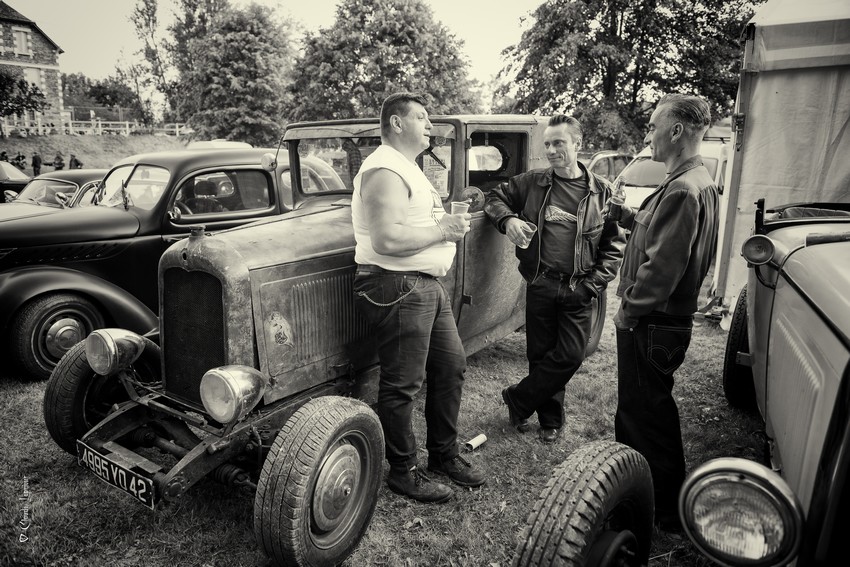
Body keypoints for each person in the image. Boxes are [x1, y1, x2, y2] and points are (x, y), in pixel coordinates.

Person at [351, 92, 484, 504]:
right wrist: (444, 231)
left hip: (422, 284)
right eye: (422, 117)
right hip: (397, 285)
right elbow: (387, 239)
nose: (430, 125)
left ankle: (443, 455)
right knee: (402, 384)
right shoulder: (384, 170)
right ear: (396, 123)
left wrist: (446, 222)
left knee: (451, 367)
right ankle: (403, 471)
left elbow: (416, 222)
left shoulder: (407, 167)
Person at [610, 94, 719, 532]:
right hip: (664, 323)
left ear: (676, 131)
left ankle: (659, 508)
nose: (648, 135)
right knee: (652, 409)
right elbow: (662, 236)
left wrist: (628, 311)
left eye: (654, 126)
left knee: (642, 416)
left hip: (652, 321)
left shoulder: (682, 188)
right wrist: (626, 215)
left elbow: (663, 268)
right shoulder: (694, 180)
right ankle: (664, 503)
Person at [485, 115, 625, 443]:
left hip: (580, 286)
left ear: (578, 144)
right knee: (540, 355)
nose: (550, 150)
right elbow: (494, 198)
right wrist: (508, 221)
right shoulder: (532, 183)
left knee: (571, 355)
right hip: (541, 282)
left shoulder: (602, 192)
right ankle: (550, 419)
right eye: (547, 144)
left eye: (558, 143)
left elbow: (614, 246)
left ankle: (518, 398)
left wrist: (592, 286)